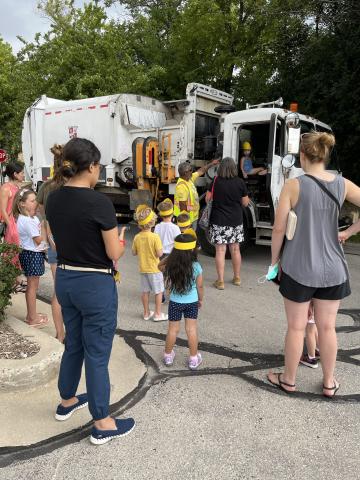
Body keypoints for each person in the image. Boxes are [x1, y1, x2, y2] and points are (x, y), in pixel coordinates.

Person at [46, 137, 135, 445]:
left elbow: (58, 242)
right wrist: (122, 242)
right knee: (97, 354)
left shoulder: (53, 199)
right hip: (95, 284)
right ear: (93, 166)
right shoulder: (99, 203)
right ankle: (103, 422)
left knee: (74, 343)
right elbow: (113, 253)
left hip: (66, 280)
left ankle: (67, 400)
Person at [267, 131, 360, 398]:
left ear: (302, 156)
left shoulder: (294, 186)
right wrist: (348, 232)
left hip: (298, 269)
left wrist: (274, 261)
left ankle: (289, 379)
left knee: (296, 327)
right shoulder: (342, 183)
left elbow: (278, 229)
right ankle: (329, 382)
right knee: (327, 328)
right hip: (333, 270)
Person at [37, 145, 72, 343]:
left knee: (58, 291)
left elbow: (41, 211)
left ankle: (60, 334)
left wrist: (48, 229)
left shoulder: (46, 186)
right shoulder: (73, 186)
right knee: (74, 290)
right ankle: (73, 332)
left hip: (53, 242)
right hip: (73, 243)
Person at [206, 157, 250, 290]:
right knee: (235, 249)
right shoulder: (240, 182)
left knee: (220, 250)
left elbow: (208, 199)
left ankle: (220, 281)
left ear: (221, 168)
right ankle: (237, 278)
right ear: (233, 168)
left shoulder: (215, 181)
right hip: (235, 221)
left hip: (219, 220)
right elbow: (245, 203)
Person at [163, 234, 204, 370]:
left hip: (175, 302)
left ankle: (168, 356)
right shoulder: (196, 266)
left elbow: (159, 265)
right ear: (192, 250)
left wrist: (172, 256)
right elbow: (200, 286)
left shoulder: (171, 265)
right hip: (191, 302)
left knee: (172, 330)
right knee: (191, 330)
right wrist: (200, 299)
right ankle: (193, 358)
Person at [13, 188, 49, 327]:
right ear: (22, 204)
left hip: (31, 253)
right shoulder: (27, 221)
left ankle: (31, 314)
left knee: (32, 286)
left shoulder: (30, 218)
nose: (35, 203)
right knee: (32, 287)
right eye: (32, 201)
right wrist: (45, 227)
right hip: (32, 254)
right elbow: (39, 240)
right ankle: (32, 318)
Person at [132, 204, 168, 322]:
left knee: (145, 292)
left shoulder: (137, 237)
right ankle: (158, 314)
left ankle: (146, 313)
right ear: (153, 222)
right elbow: (159, 253)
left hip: (143, 269)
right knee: (158, 292)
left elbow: (134, 252)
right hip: (155, 269)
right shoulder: (155, 237)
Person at [0, 161, 26, 292]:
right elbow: (3, 210)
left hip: (19, 221)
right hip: (12, 223)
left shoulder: (18, 187)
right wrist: (10, 226)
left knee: (17, 251)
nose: (23, 175)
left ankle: (15, 281)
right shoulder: (6, 188)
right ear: (15, 174)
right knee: (12, 252)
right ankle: (13, 281)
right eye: (21, 173)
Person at [174, 158, 219, 230]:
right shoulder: (181, 186)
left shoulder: (189, 179)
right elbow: (182, 205)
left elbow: (201, 171)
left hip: (192, 217)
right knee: (187, 238)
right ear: (185, 173)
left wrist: (212, 163)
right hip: (187, 219)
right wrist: (186, 222)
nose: (192, 172)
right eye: (190, 170)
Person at [299, 301, 320, 369]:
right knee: (314, 327)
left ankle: (311, 358)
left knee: (309, 330)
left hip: (313, 302)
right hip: (323, 301)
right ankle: (319, 350)